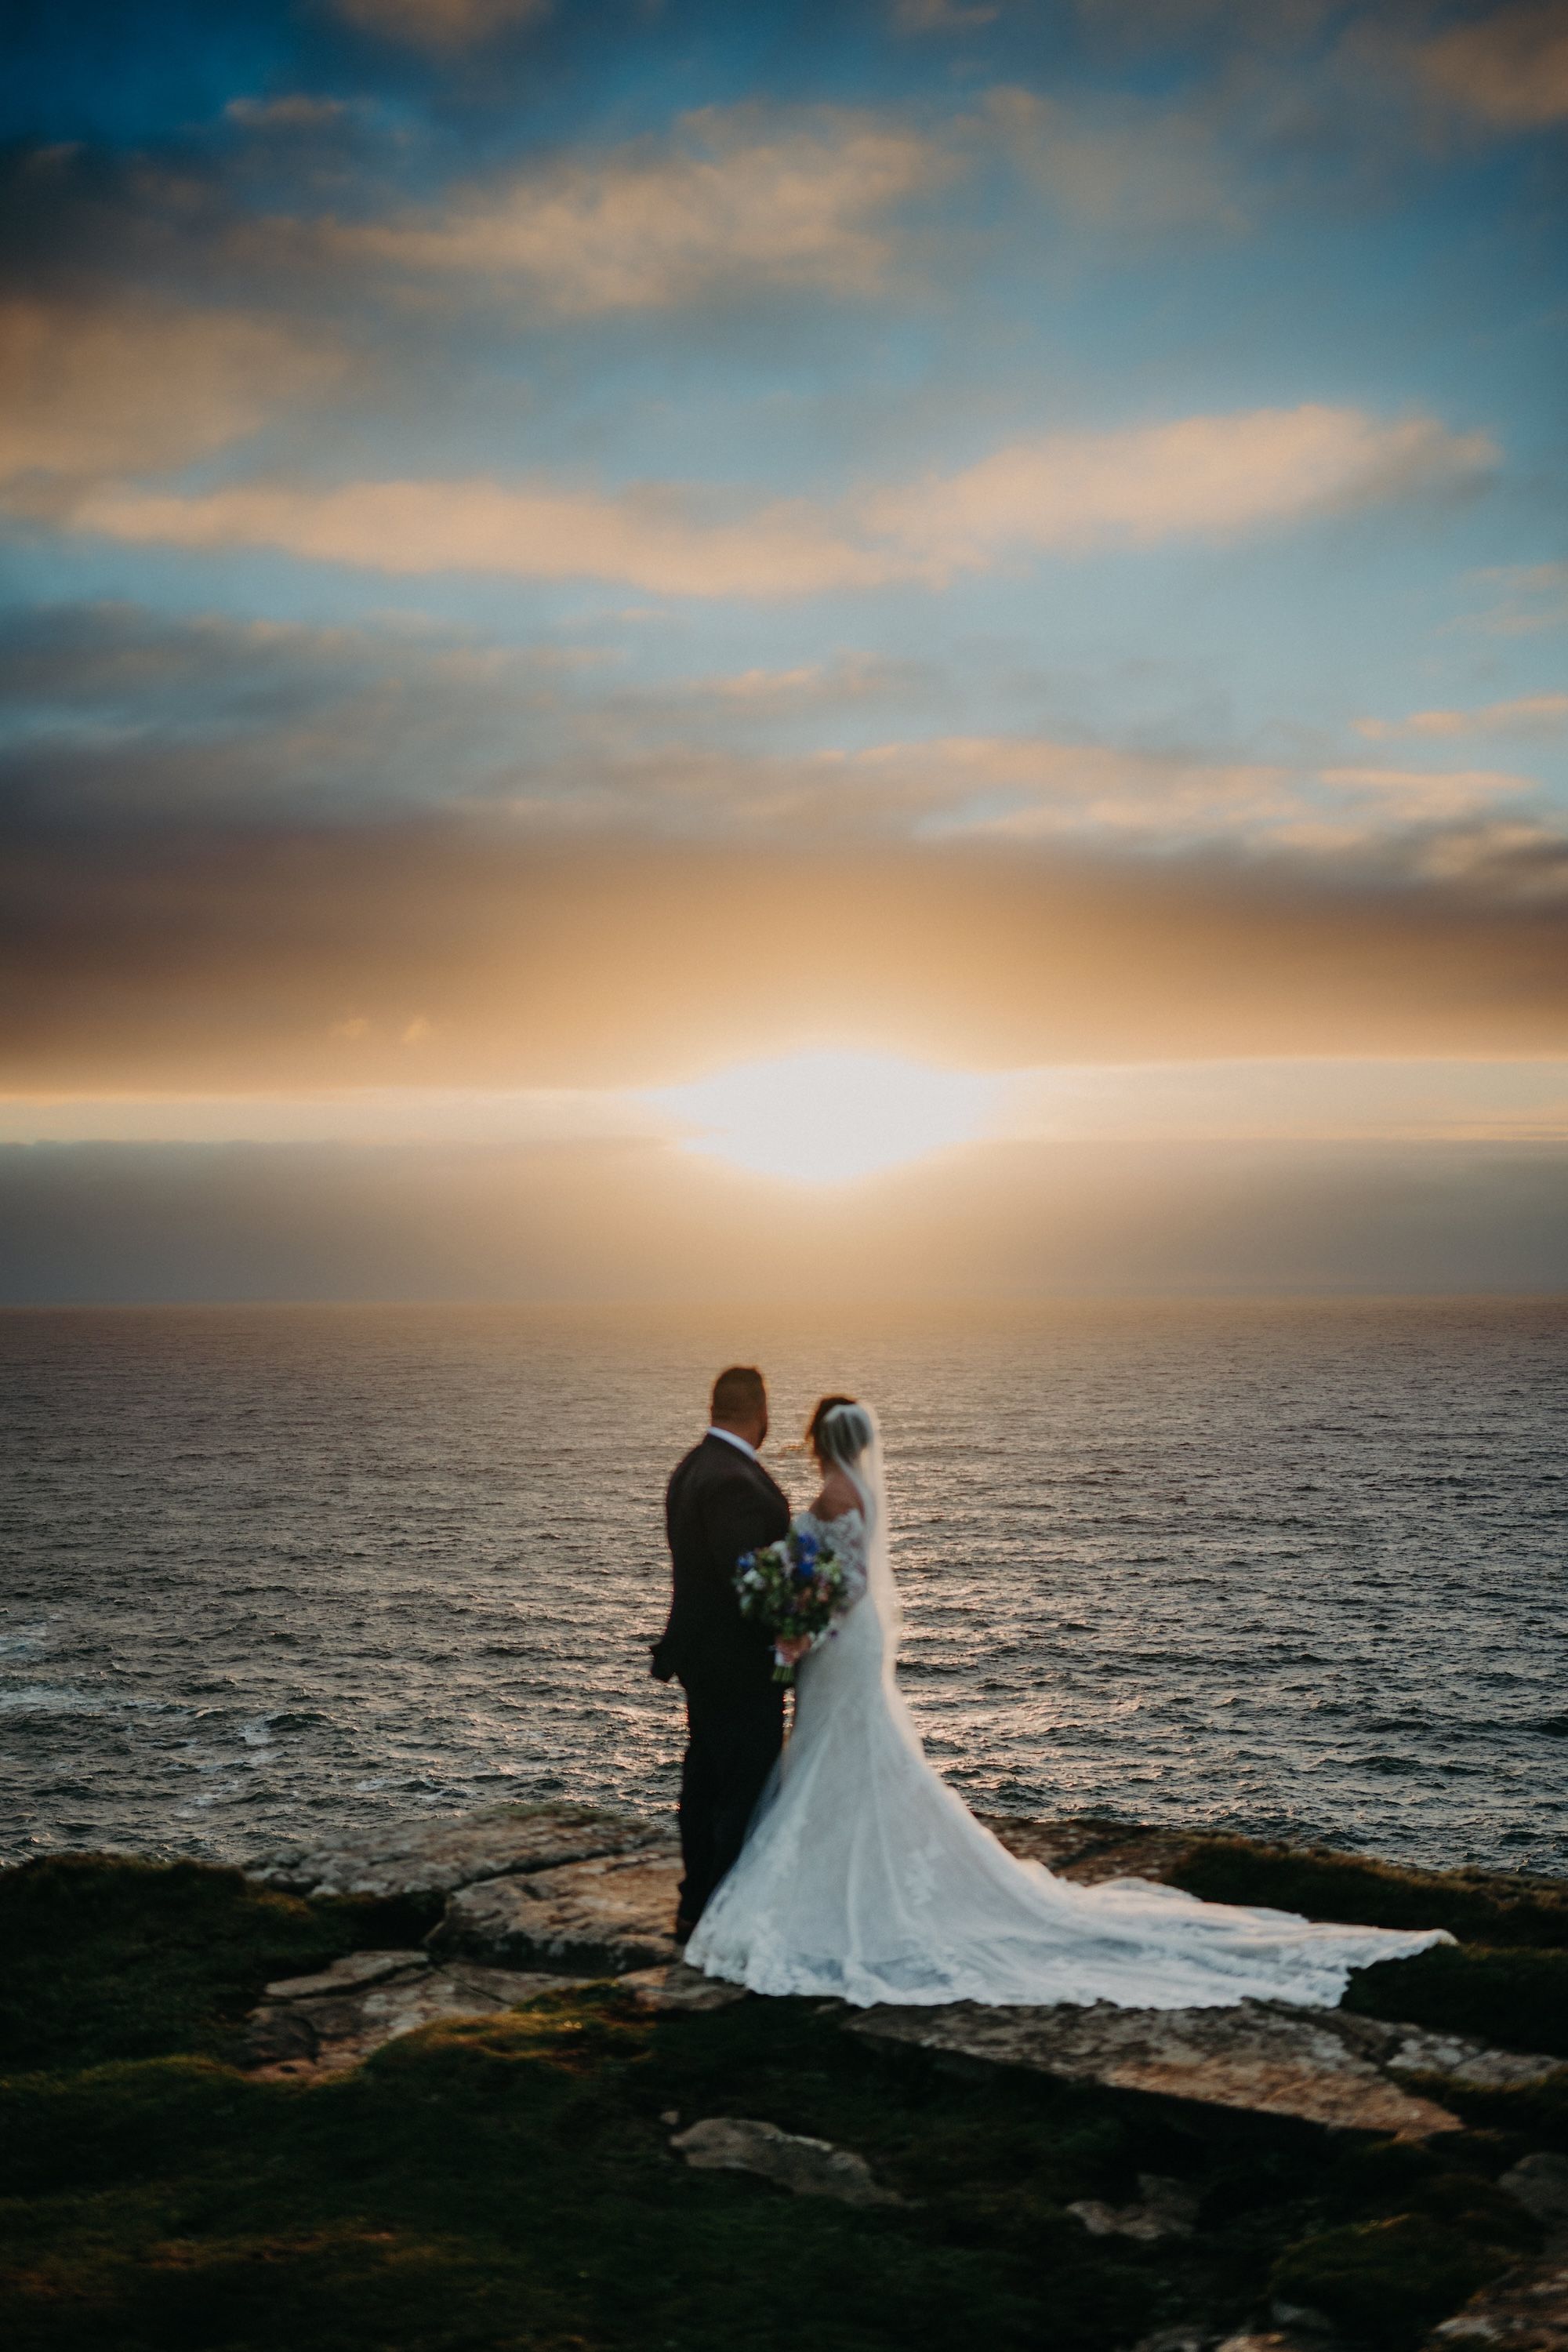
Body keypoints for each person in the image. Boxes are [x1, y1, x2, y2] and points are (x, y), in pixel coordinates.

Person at [685, 1396, 1453, 2009]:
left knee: (834, 1758)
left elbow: (831, 1585)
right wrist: (803, 1617)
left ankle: (832, 1889)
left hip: (833, 1646)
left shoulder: (832, 1495)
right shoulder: (865, 1491)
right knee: (857, 1760)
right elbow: (846, 1579)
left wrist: (793, 1623)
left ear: (822, 1441)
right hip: (850, 1649)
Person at [653, 1365, 790, 1940]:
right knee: (741, 1787)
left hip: (701, 1658)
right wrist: (794, 1630)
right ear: (760, 1412)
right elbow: (750, 1583)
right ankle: (722, 1913)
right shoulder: (735, 1480)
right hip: (738, 1665)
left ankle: (696, 1903)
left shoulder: (692, 1468)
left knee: (705, 1780)